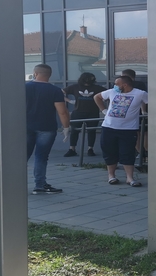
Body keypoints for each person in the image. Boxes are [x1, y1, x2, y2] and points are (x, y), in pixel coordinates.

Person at [94, 75, 147, 186]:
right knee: (109, 152)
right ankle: (111, 176)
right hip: (109, 127)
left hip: (128, 129)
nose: (115, 86)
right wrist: (104, 110)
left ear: (125, 85)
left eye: (117, 84)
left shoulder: (140, 93)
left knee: (127, 153)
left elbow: (151, 102)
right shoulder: (112, 92)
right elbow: (97, 97)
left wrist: (144, 111)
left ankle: (130, 178)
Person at [26, 64, 71, 194]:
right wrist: (66, 128)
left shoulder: (23, 87)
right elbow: (62, 112)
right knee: (41, 156)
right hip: (46, 127)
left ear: (35, 73)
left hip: (25, 127)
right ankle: (39, 185)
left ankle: (15, 184)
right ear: (49, 75)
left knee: (22, 156)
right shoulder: (55, 90)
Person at [63, 72, 105, 157]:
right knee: (74, 130)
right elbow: (60, 92)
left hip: (93, 112)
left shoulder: (97, 88)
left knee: (91, 131)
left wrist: (102, 102)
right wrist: (69, 101)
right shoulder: (75, 87)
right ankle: (72, 149)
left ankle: (90, 149)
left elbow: (109, 94)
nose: (88, 81)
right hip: (78, 112)